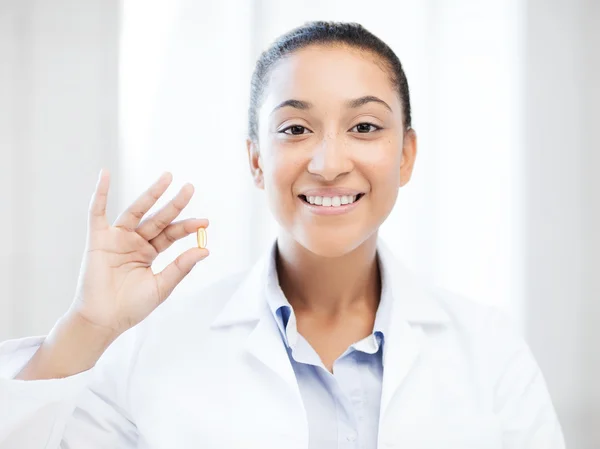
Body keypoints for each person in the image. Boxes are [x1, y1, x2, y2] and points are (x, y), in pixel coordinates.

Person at [0, 21, 565, 449]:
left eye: (364, 127)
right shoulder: (152, 353)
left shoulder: (490, 351)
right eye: (295, 129)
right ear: (255, 161)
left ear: (406, 155)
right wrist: (87, 328)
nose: (328, 161)